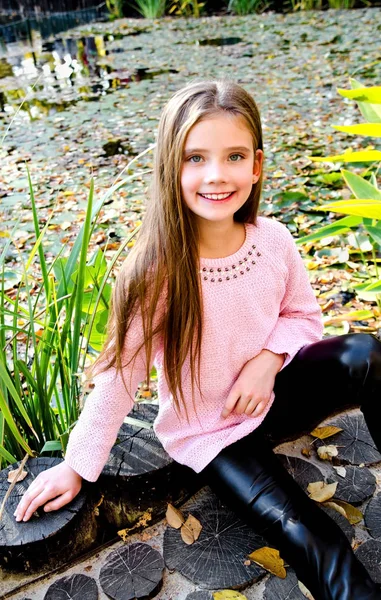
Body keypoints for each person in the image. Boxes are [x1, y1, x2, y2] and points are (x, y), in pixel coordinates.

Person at [14, 80, 381, 599]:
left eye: (233, 156)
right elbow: (121, 378)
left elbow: (304, 318)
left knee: (365, 353)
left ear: (255, 165)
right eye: (195, 158)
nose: (216, 175)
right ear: (171, 167)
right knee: (308, 535)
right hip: (215, 433)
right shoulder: (155, 272)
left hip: (274, 396)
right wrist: (77, 464)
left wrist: (268, 360)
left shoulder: (273, 241)